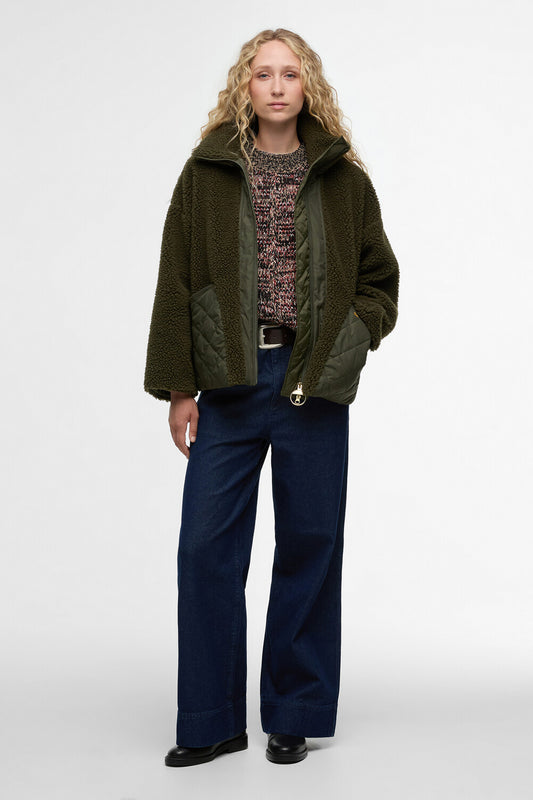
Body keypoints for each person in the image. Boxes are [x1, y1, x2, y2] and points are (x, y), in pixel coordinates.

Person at [144, 27, 399, 767]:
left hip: (312, 381)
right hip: (229, 379)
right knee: (205, 549)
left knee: (310, 544)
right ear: (245, 86)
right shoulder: (207, 172)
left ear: (307, 84)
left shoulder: (343, 178)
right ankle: (211, 720)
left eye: (291, 73)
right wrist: (179, 387)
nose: (278, 86)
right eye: (264, 74)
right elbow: (175, 277)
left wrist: (348, 342)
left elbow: (380, 281)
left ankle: (294, 713)